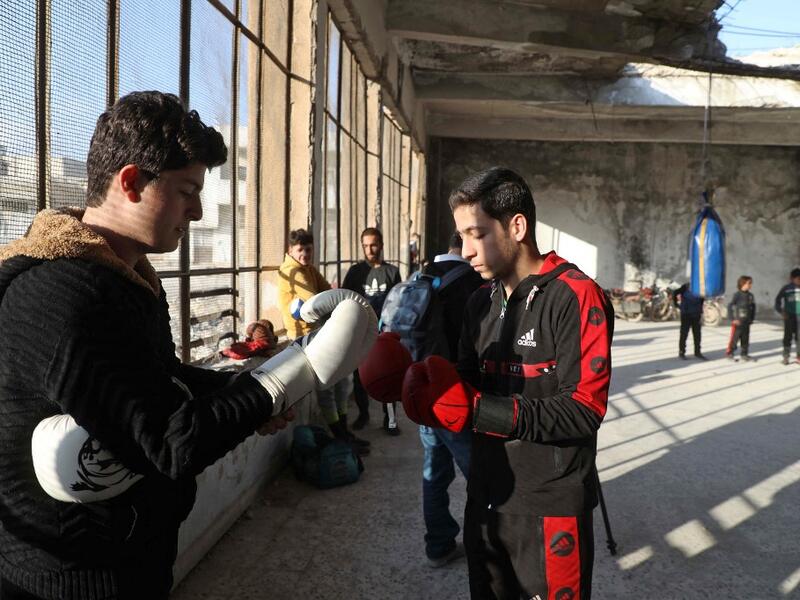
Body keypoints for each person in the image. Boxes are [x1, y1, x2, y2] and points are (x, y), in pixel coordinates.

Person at [0, 91, 376, 600]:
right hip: (67, 579)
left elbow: (161, 379)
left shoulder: (123, 278)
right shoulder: (63, 294)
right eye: (186, 191)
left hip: (130, 555)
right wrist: (293, 375)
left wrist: (241, 391)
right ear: (130, 182)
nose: (198, 211)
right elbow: (171, 441)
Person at [363, 167, 613, 599]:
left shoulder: (574, 295)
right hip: (486, 496)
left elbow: (585, 408)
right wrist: (417, 382)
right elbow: (464, 383)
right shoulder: (481, 300)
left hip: (550, 506)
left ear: (517, 226)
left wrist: (481, 410)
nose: (466, 250)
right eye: (460, 236)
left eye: (476, 234)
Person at [417, 232, 483, 568]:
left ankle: (438, 546)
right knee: (483, 476)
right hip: (457, 398)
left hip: (422, 394)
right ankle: (487, 547)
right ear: (468, 248)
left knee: (434, 474)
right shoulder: (473, 285)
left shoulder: (421, 276)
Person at [278, 228, 369, 454]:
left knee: (340, 383)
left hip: (319, 333)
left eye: (308, 249)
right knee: (328, 387)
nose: (305, 254)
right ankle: (340, 435)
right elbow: (316, 304)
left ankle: (344, 432)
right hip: (306, 338)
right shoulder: (293, 272)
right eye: (300, 250)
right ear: (290, 250)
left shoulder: (307, 268)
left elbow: (328, 292)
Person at [342, 227, 402, 434]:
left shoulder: (392, 272)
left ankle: (391, 420)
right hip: (360, 333)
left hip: (386, 334)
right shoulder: (355, 272)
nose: (370, 249)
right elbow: (345, 300)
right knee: (360, 377)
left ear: (381, 245)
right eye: (366, 246)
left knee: (389, 376)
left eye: (374, 244)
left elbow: (398, 303)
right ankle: (363, 414)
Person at [726, 275, 756, 361]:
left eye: (751, 283)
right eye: (749, 283)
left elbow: (753, 307)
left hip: (747, 321)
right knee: (735, 338)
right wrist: (733, 319)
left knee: (745, 338)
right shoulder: (737, 295)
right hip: (738, 321)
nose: (750, 285)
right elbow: (730, 306)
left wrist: (752, 319)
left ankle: (744, 353)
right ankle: (730, 352)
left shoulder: (750, 296)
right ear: (742, 284)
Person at [674, 282, 707, 360]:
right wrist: (676, 304)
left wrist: (700, 309)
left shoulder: (701, 287)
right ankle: (682, 352)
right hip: (686, 314)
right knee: (684, 334)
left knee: (697, 334)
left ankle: (697, 352)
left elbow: (702, 299)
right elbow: (675, 293)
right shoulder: (685, 286)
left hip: (696, 314)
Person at [775, 267, 800, 365]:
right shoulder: (786, 288)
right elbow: (777, 301)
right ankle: (786, 356)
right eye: (798, 279)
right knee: (787, 337)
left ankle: (799, 356)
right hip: (789, 317)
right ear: (791, 278)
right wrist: (781, 311)